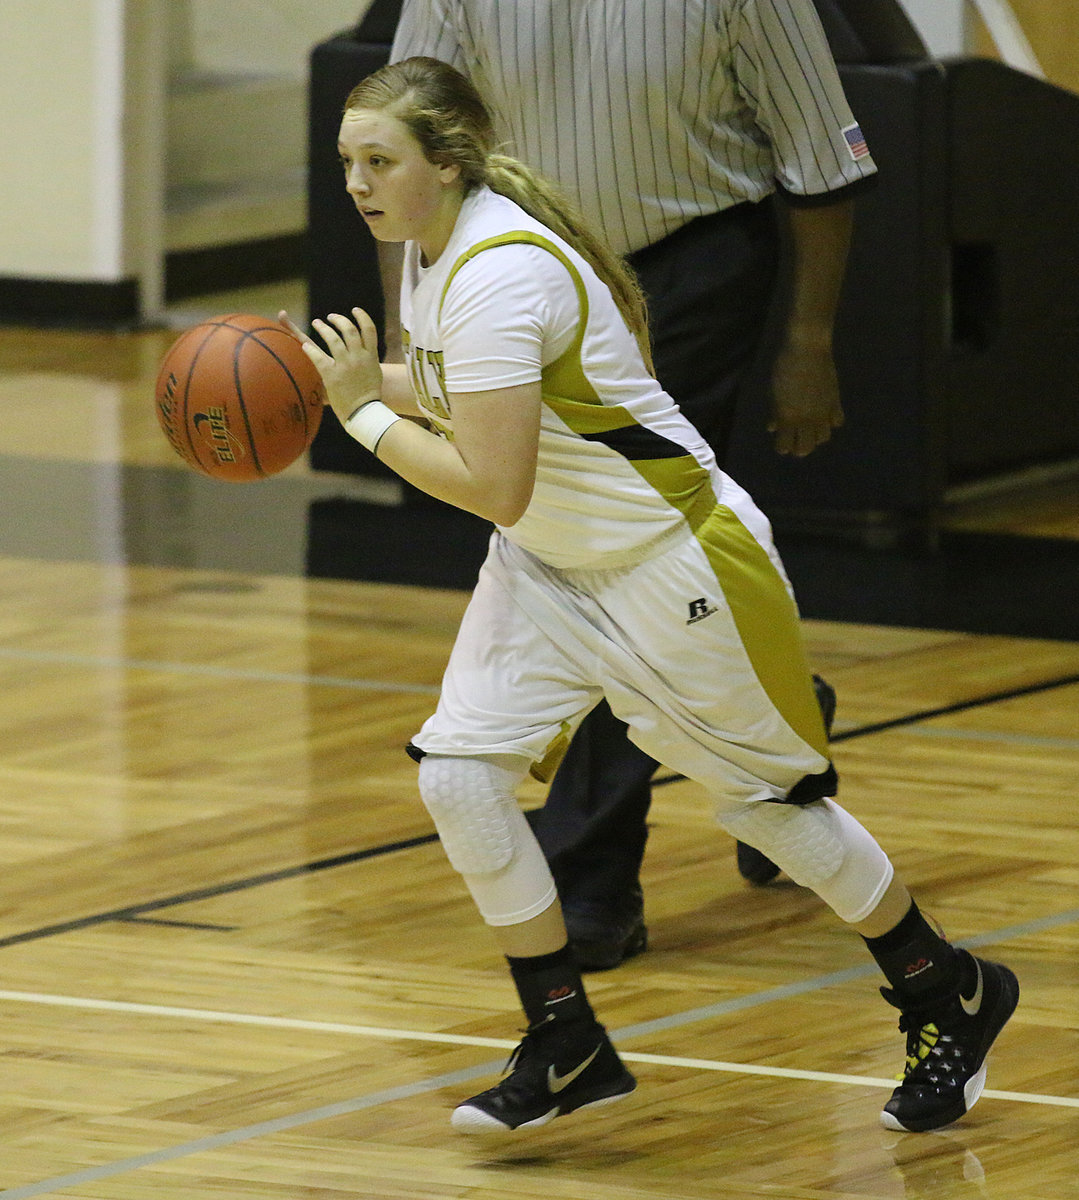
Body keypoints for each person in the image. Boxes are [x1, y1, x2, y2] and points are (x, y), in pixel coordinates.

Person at [283, 55, 1018, 1137]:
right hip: (548, 563)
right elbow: (459, 394)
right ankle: (565, 1039)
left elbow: (492, 480)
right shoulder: (430, 251)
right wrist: (325, 381)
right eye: (347, 161)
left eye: (378, 161)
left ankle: (944, 986)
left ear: (445, 164)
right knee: (459, 779)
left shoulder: (498, 273)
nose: (356, 183)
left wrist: (359, 415)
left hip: (670, 567)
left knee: (768, 811)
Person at [383, 0, 879, 968]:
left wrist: (808, 339)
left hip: (689, 270)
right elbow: (399, 137)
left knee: (620, 558)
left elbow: (822, 161)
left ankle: (590, 875)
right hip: (509, 279)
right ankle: (769, 695)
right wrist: (417, 348)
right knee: (560, 542)